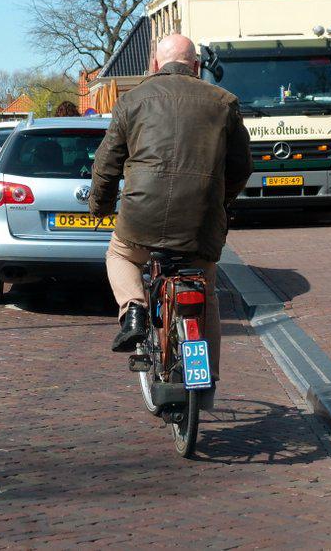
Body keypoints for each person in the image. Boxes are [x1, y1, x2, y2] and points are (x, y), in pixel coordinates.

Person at [89, 34, 253, 401]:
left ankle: (133, 309)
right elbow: (242, 167)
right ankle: (206, 380)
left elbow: (107, 164)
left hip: (141, 218)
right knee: (205, 291)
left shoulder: (131, 101)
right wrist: (218, 200)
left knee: (119, 254)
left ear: (154, 65)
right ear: (196, 66)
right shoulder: (224, 102)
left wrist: (99, 206)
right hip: (200, 222)